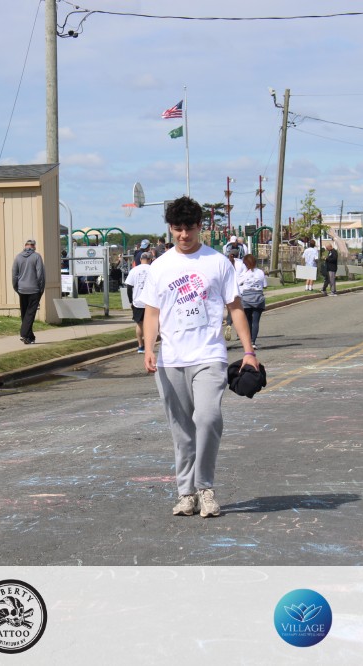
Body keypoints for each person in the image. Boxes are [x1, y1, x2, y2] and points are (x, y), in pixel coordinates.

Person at [142, 196, 258, 519]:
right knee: (181, 430)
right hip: (171, 360)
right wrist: (149, 347)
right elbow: (152, 313)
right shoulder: (159, 267)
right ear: (170, 228)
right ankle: (186, 493)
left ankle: (205, 487)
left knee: (208, 419)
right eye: (177, 229)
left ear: (200, 227)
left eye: (189, 228)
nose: (183, 235)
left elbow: (236, 309)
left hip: (209, 354)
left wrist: (249, 351)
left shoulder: (218, 263)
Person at [12, 239, 45, 344]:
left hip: (22, 289)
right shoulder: (37, 257)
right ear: (34, 246)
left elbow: (14, 275)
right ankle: (24, 334)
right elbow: (40, 275)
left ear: (25, 246)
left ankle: (30, 337)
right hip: (34, 289)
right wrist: (41, 289)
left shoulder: (18, 257)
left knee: (25, 313)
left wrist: (16, 287)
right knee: (30, 313)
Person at [125, 251, 153, 352]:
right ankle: (149, 346)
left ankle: (140, 345)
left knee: (139, 324)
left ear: (141, 259)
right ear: (150, 260)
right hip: (151, 302)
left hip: (138, 301)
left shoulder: (134, 270)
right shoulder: (153, 269)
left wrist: (130, 301)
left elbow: (129, 287)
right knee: (151, 324)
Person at [239, 254, 267, 347]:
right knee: (256, 321)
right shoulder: (260, 272)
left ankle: (248, 341)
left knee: (248, 320)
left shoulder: (245, 273)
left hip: (246, 298)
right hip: (258, 297)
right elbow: (265, 285)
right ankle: (253, 342)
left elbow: (238, 283)